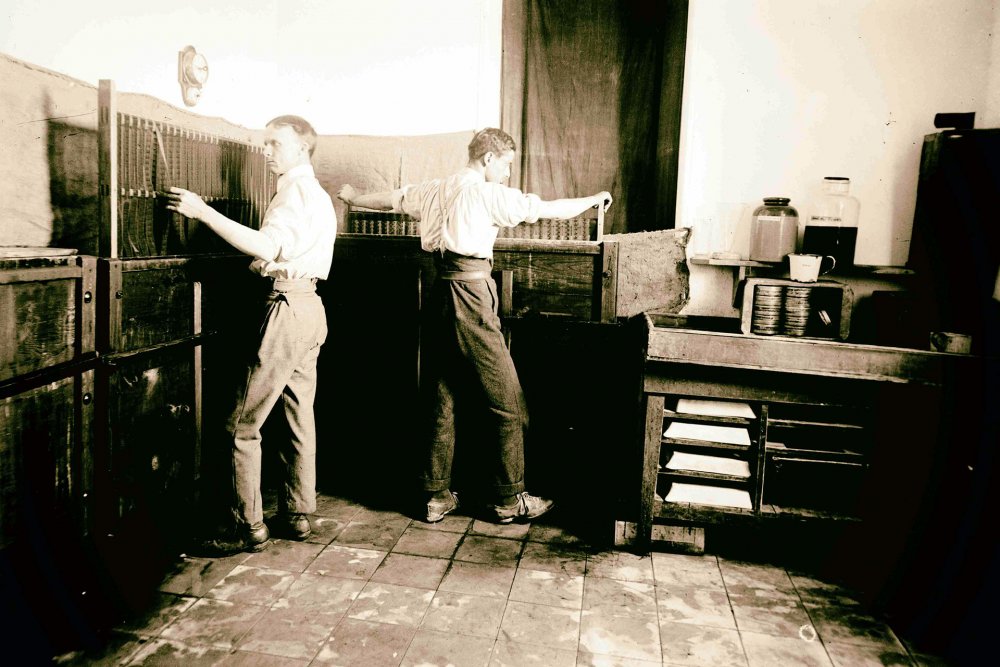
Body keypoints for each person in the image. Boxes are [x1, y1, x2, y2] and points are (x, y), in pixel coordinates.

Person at [337, 128, 611, 524]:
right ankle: (508, 498)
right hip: (470, 293)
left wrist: (352, 198)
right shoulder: (486, 194)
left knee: (441, 392)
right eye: (506, 165)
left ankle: (435, 496)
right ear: (488, 159)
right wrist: (593, 200)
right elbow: (545, 209)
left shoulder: (434, 189)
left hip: (436, 292)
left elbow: (392, 200)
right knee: (507, 398)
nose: (507, 173)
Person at [166, 115, 336, 554]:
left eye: (275, 144)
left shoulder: (292, 193)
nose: (267, 152)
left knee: (242, 423)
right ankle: (299, 513)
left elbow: (267, 245)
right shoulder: (316, 194)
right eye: (265, 144)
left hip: (285, 310)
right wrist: (271, 264)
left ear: (302, 148)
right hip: (311, 308)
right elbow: (291, 253)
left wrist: (202, 212)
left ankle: (245, 526)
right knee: (299, 416)